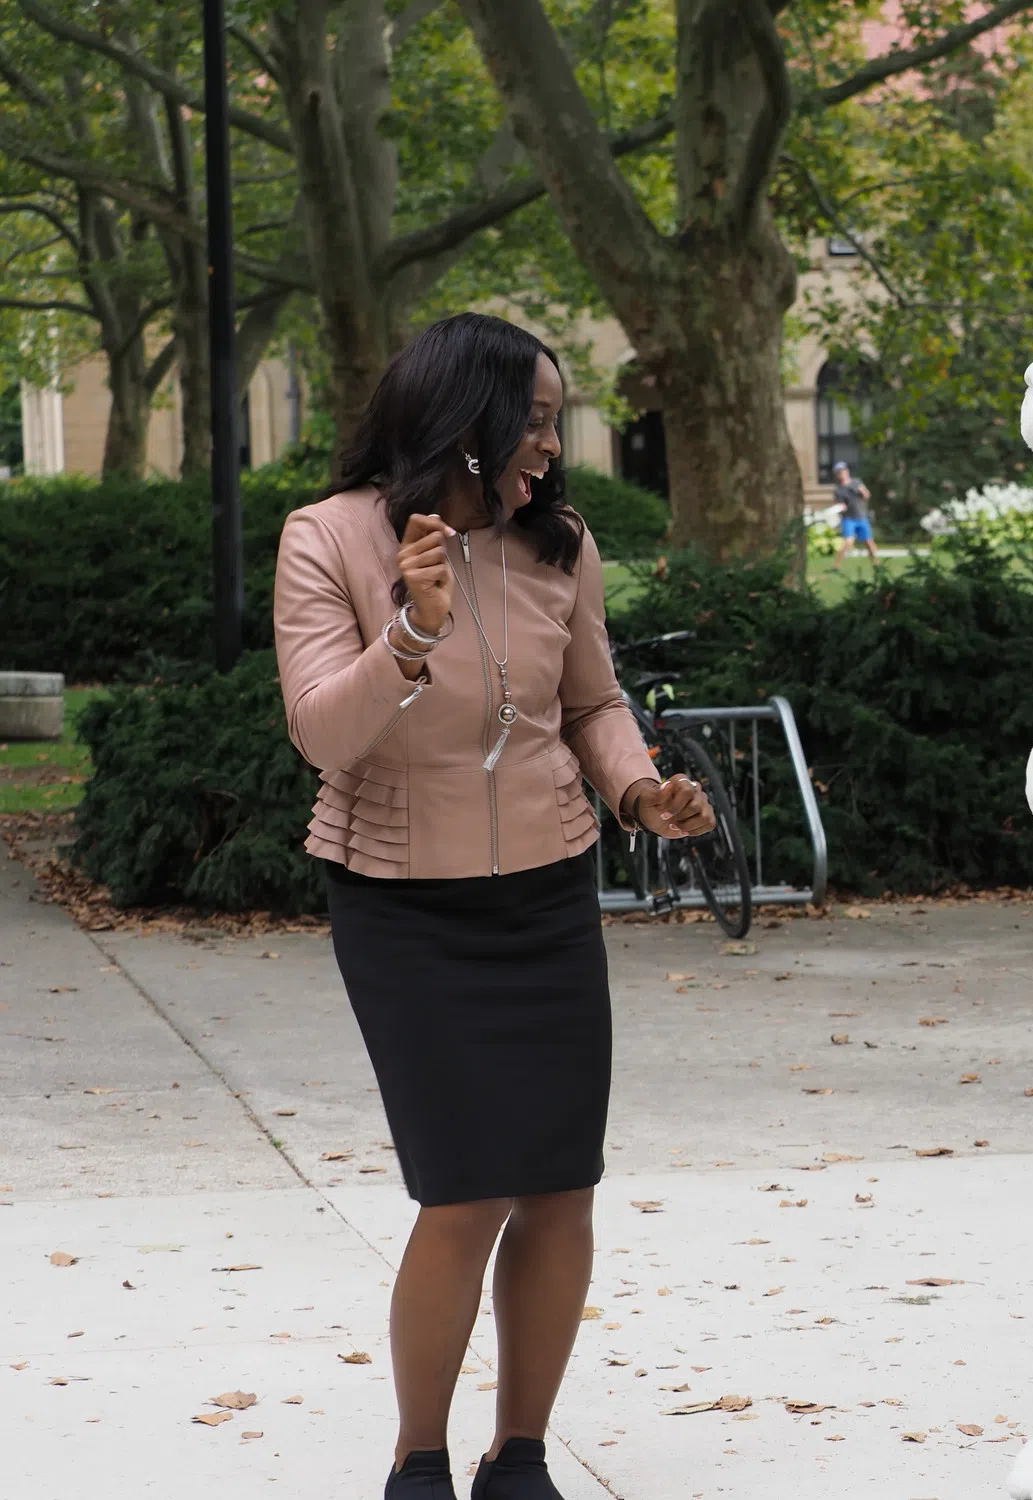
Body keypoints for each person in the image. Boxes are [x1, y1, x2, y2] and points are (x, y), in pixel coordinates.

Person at [274, 313, 715, 1500]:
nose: (548, 445)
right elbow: (322, 732)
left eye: (553, 420)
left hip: (547, 896)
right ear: (459, 420)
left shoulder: (556, 547)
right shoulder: (329, 538)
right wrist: (410, 629)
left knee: (560, 1182)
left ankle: (519, 1458)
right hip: (401, 905)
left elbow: (592, 703)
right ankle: (418, 1459)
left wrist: (635, 788)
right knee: (464, 1187)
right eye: (529, 420)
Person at [830, 460, 879, 567]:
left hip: (861, 517)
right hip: (848, 519)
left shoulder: (857, 482)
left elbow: (867, 496)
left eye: (843, 471)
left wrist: (864, 492)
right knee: (848, 542)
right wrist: (841, 506)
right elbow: (839, 504)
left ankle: (876, 563)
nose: (841, 474)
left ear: (847, 471)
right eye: (839, 472)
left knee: (869, 542)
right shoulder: (838, 490)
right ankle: (836, 565)